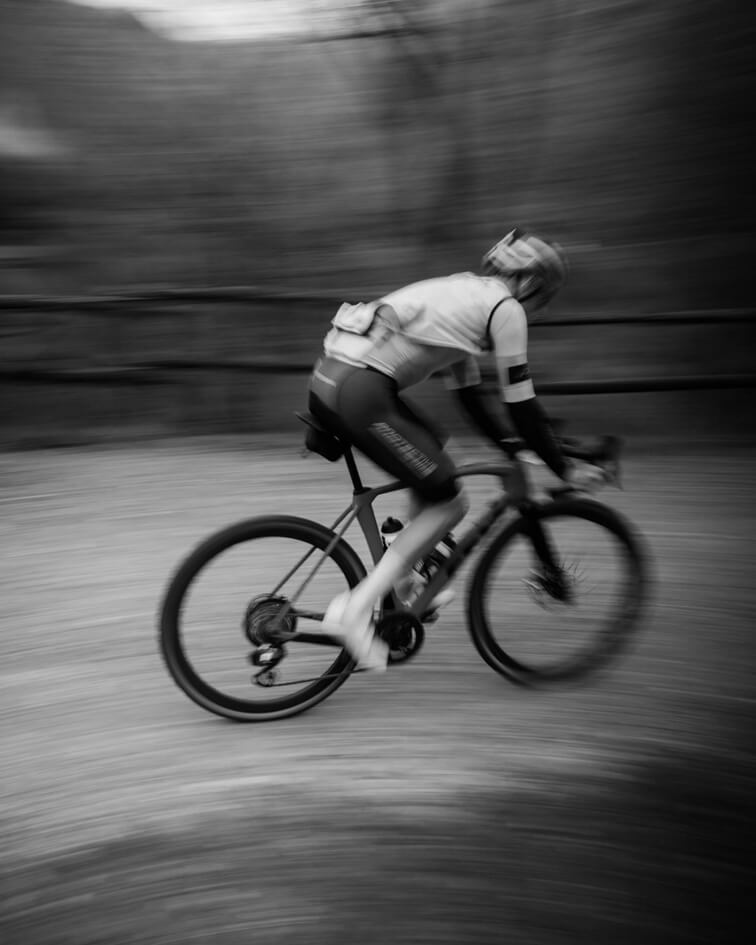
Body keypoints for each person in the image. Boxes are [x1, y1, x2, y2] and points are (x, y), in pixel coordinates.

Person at [307, 227, 604, 671]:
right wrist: (565, 469)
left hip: (336, 381)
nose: (541, 309)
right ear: (529, 284)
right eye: (544, 297)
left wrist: (510, 445)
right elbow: (521, 403)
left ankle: (404, 579)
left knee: (440, 458)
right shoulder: (505, 310)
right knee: (450, 502)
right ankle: (354, 610)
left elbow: (470, 398)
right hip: (360, 392)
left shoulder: (466, 298)